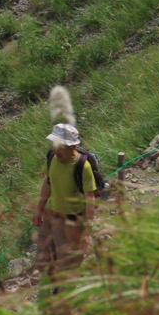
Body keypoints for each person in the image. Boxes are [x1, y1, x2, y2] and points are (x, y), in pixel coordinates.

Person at [32, 123, 96, 293]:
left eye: (62, 147)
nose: (57, 150)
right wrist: (39, 209)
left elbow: (90, 200)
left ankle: (64, 297)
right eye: (55, 145)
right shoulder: (52, 158)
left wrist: (86, 233)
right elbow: (48, 182)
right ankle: (55, 287)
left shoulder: (83, 166)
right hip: (51, 218)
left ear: (73, 146)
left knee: (67, 264)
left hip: (71, 222)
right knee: (43, 258)